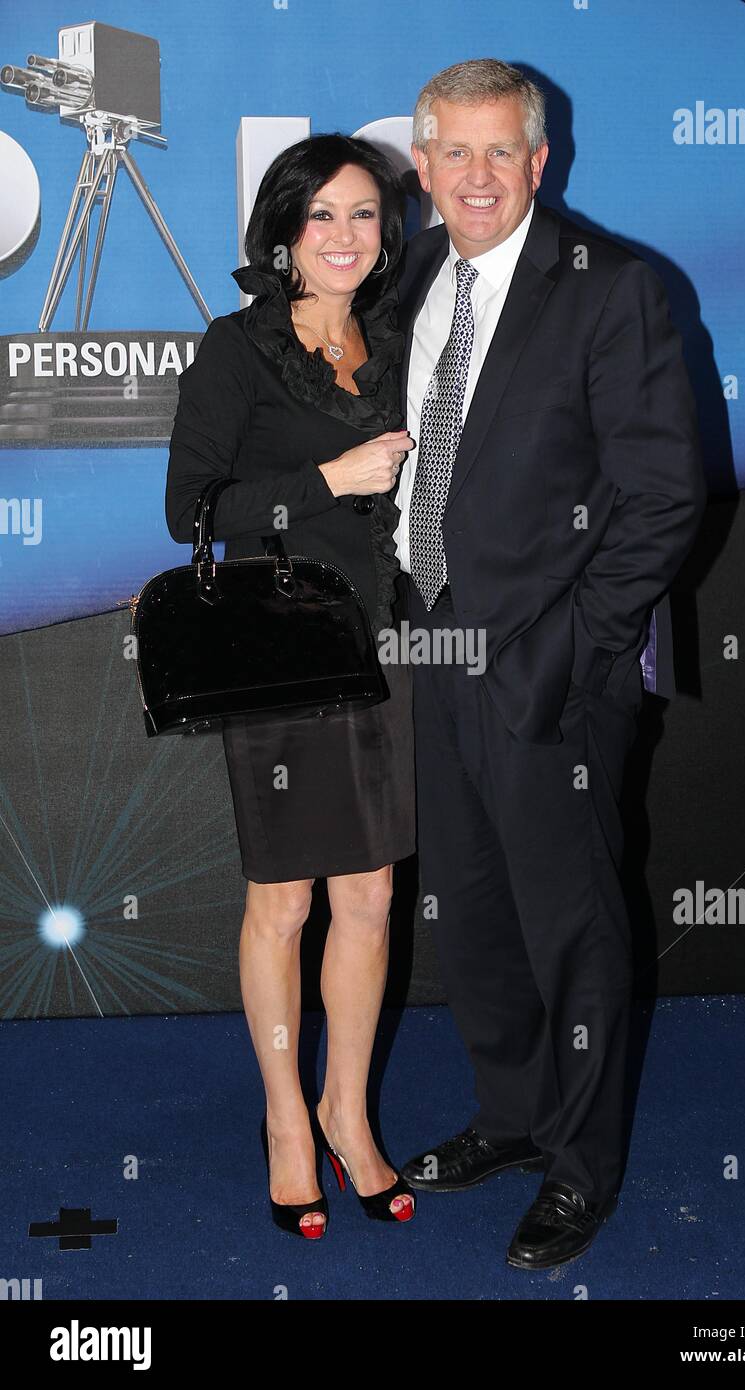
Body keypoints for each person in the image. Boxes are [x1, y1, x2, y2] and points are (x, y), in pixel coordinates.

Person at [395, 60, 706, 1268]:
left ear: (541, 161)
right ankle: (512, 1119)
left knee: (569, 923)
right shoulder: (411, 274)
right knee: (471, 914)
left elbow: (660, 498)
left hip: (549, 665)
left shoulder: (613, 289)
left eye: (498, 153)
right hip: (429, 638)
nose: (476, 177)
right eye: (451, 154)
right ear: (419, 166)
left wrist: (568, 654)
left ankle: (579, 1173)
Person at [165, 134, 417, 1238]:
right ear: (283, 233)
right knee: (287, 900)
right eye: (321, 217)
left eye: (363, 214)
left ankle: (346, 1114)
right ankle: (283, 1122)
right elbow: (192, 512)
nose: (344, 237)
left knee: (369, 897)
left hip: (389, 647)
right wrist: (329, 476)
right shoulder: (236, 350)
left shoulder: (400, 340)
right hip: (284, 653)